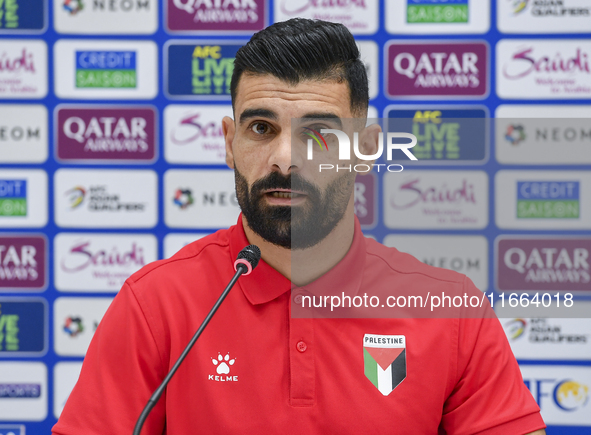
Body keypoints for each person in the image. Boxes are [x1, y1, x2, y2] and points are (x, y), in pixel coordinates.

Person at [53, 19, 546, 434]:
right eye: (261, 128)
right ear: (230, 144)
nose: (285, 160)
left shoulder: (450, 311)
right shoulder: (154, 305)